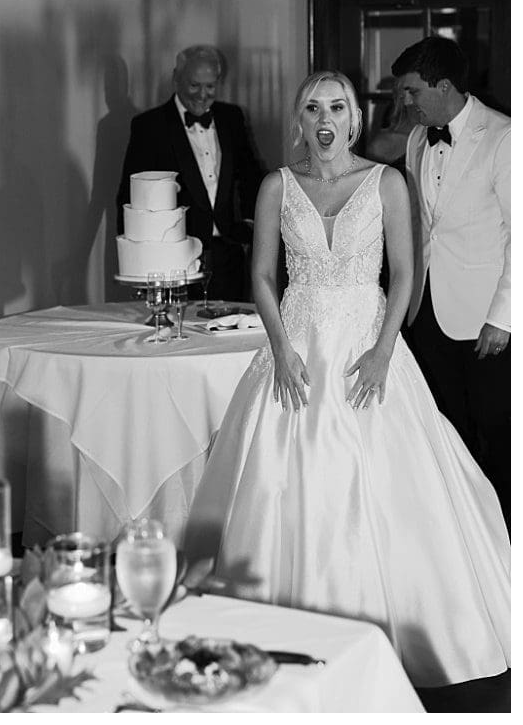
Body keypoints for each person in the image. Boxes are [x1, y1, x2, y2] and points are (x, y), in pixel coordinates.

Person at [181, 71, 509, 688]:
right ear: (300, 121)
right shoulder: (278, 186)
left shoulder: (386, 181)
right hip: (296, 347)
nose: (324, 118)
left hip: (367, 344)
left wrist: (385, 349)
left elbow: (405, 275)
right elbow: (261, 279)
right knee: (280, 478)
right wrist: (279, 349)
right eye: (312, 108)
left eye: (337, 106)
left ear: (355, 119)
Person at [391, 36, 511, 520]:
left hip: (488, 323)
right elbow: (423, 230)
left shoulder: (504, 136)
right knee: (444, 436)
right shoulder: (419, 137)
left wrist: (503, 319)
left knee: (499, 442)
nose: (405, 102)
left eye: (412, 91)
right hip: (428, 314)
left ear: (444, 86)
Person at [118, 45, 264, 302]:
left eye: (210, 86)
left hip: (228, 252)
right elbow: (129, 197)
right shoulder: (149, 126)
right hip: (174, 256)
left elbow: (250, 175)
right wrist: (135, 263)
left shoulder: (232, 118)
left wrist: (251, 223)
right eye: (195, 86)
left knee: (229, 331)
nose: (203, 95)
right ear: (176, 78)